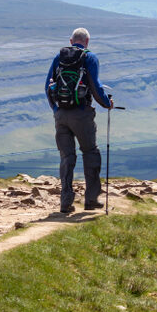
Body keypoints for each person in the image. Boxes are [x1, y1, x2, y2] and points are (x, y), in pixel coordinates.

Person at [44, 27, 113, 214]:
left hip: (61, 115)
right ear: (87, 42)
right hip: (82, 113)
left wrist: (56, 109)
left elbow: (47, 86)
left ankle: (65, 202)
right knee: (90, 152)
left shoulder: (59, 57)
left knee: (67, 157)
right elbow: (95, 87)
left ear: (70, 40)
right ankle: (91, 200)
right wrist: (107, 103)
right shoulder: (89, 58)